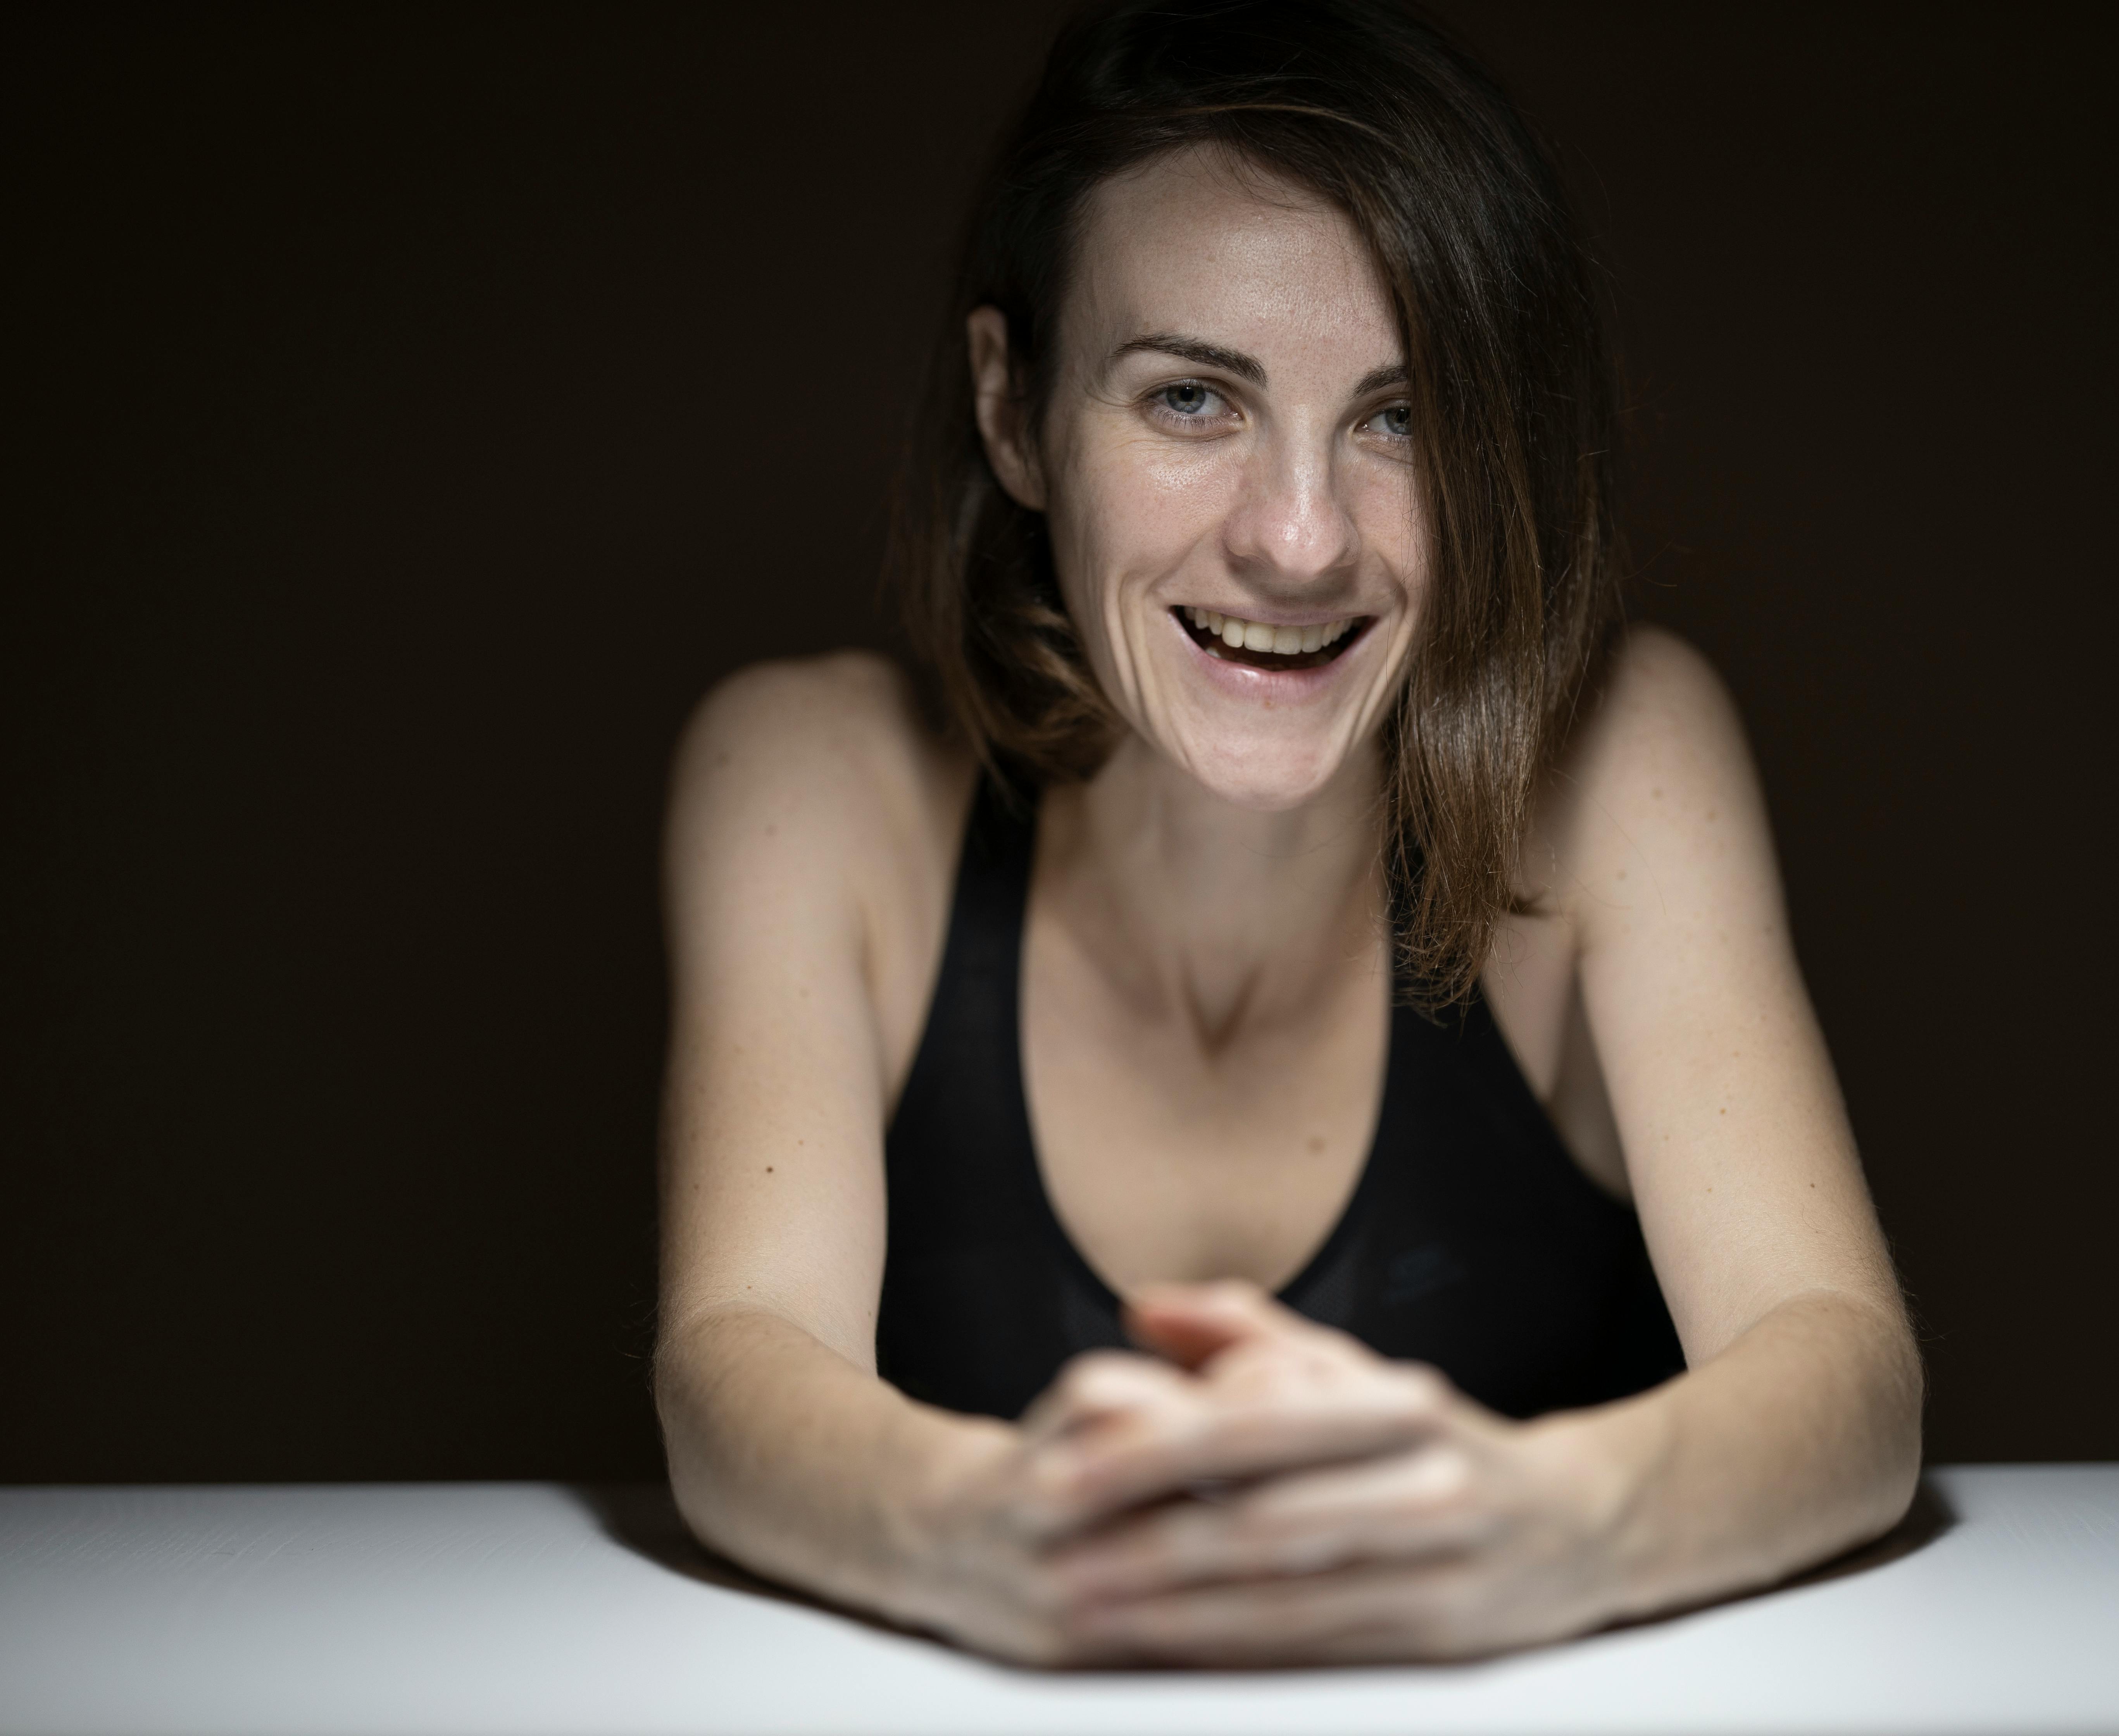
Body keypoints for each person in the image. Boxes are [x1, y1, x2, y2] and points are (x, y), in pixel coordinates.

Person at [653, 0, 1920, 1667]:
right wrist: (984, 1533)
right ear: (1016, 412)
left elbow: (1848, 1367)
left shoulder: (1626, 753)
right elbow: (732, 1356)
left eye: (1400, 417)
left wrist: (1543, 1527)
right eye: (1193, 399)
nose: (1302, 540)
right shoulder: (810, 776)